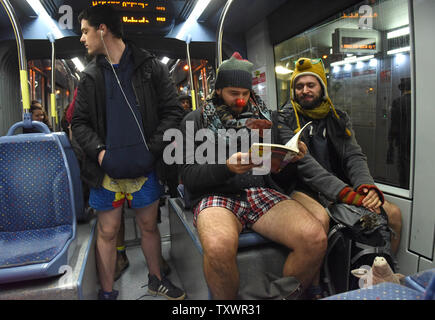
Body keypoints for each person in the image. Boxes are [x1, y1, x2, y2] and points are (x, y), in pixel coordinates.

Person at [180, 52, 328, 300]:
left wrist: (292, 157)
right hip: (216, 194)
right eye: (233, 93)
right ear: (218, 91)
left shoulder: (266, 118)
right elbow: (189, 176)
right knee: (217, 248)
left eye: (245, 94)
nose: (240, 101)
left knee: (314, 238)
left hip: (259, 190)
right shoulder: (195, 121)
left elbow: (279, 167)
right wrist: (226, 167)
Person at [72, 5, 185, 300]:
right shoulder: (90, 76)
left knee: (149, 226)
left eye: (85, 31)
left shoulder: (150, 68)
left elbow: (173, 112)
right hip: (106, 171)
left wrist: (152, 151)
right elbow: (79, 123)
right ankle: (108, 292)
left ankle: (156, 279)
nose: (82, 38)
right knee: (107, 232)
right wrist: (100, 154)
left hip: (144, 166)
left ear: (103, 29)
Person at [275, 57, 402, 255]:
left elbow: (354, 156)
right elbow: (305, 166)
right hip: (302, 187)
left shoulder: (338, 117)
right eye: (299, 86)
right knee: (320, 220)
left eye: (311, 85)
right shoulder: (284, 119)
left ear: (322, 87)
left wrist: (366, 188)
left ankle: (385, 270)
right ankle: (319, 283)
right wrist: (348, 195)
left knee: (393, 214)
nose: (305, 91)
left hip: (340, 185)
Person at [387, 77, 411, 188]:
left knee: (403, 169)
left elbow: (394, 126)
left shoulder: (398, 102)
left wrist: (390, 143)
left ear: (402, 89)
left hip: (402, 141)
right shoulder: (418, 101)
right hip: (415, 142)